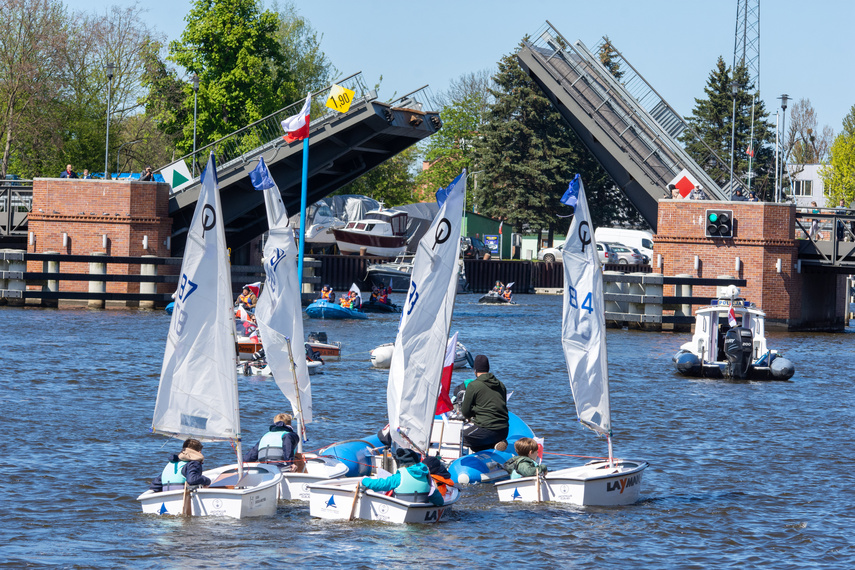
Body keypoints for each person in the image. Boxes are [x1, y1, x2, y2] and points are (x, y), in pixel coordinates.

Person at [360, 448, 444, 506]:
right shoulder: (426, 476)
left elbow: (378, 485)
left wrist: (364, 479)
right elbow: (438, 500)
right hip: (420, 510)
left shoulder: (399, 477)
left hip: (401, 509)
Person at [460, 355, 509, 452]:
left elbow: (465, 412)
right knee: (478, 441)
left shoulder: (473, 385)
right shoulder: (501, 385)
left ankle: (491, 445)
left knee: (460, 437)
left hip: (485, 430)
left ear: (475, 370)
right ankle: (495, 444)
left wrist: (473, 414)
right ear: (488, 368)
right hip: (504, 430)